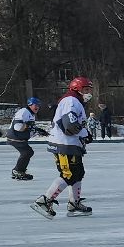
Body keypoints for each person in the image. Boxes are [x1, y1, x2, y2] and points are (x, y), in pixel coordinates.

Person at [32, 77, 95, 218]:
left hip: (71, 143)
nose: (88, 93)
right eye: (86, 89)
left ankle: (74, 203)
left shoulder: (75, 101)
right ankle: (45, 200)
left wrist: (84, 134)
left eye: (89, 89)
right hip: (64, 144)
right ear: (76, 89)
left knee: (78, 172)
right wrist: (84, 134)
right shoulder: (71, 101)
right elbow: (70, 125)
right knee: (69, 174)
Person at [7, 96, 42, 180]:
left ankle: (19, 171)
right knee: (27, 152)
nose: (37, 107)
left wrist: (37, 130)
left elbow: (28, 127)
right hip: (15, 137)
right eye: (35, 105)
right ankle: (17, 170)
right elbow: (17, 127)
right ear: (30, 104)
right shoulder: (24, 112)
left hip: (19, 138)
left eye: (38, 105)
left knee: (28, 152)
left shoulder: (30, 114)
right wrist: (29, 126)